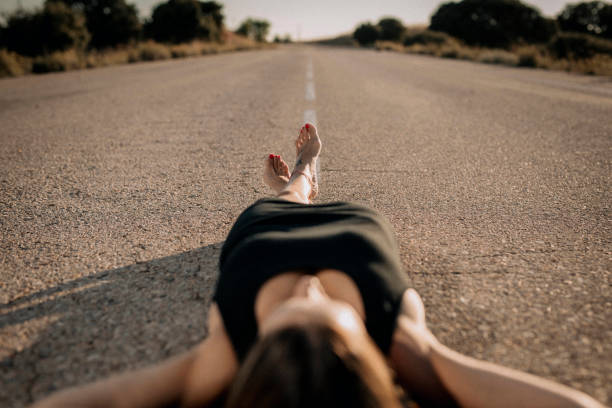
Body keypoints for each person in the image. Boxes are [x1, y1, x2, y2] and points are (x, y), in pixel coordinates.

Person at [32, 124, 603, 408]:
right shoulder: (409, 351)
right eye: (325, 313)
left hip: (267, 236)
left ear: (254, 356)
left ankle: (296, 181)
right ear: (368, 359)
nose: (307, 289)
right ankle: (305, 172)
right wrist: (415, 364)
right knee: (296, 195)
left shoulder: (218, 361)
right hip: (355, 234)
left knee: (279, 203)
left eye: (289, 313)